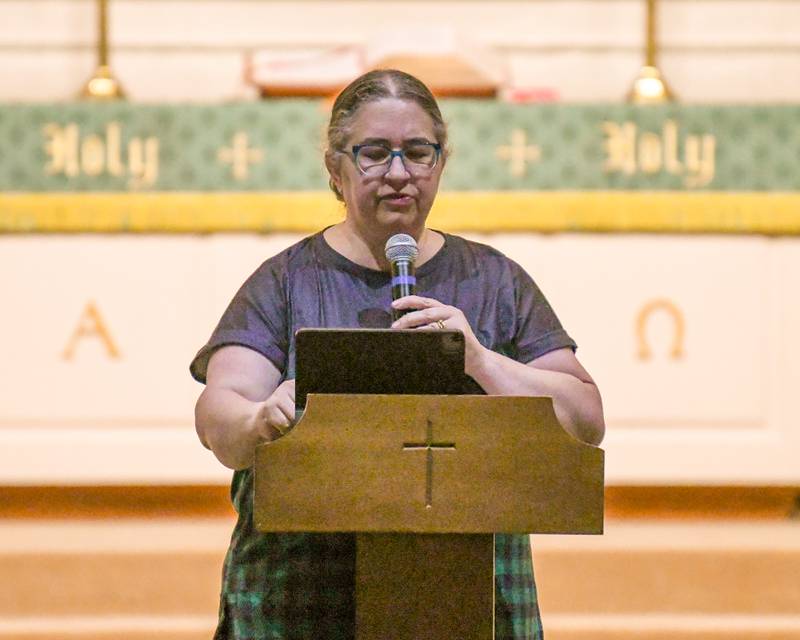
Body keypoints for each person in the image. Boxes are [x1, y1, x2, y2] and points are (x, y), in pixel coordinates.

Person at [190, 68, 604, 640]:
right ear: (336, 167)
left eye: (417, 152)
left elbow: (585, 420)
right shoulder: (285, 281)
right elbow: (218, 416)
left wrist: (481, 361)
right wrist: (259, 418)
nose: (399, 173)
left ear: (441, 162)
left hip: (468, 591)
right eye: (374, 154)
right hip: (305, 595)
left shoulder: (494, 280)